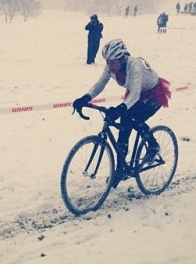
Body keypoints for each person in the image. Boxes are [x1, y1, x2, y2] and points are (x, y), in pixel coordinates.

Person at [73, 39, 171, 186]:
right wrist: (85, 98)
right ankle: (120, 169)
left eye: (113, 62)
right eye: (107, 62)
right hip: (135, 93)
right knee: (124, 127)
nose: (110, 66)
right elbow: (100, 84)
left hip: (153, 94)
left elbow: (135, 94)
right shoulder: (110, 67)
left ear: (122, 58)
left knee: (133, 118)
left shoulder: (134, 66)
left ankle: (153, 146)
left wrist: (120, 109)